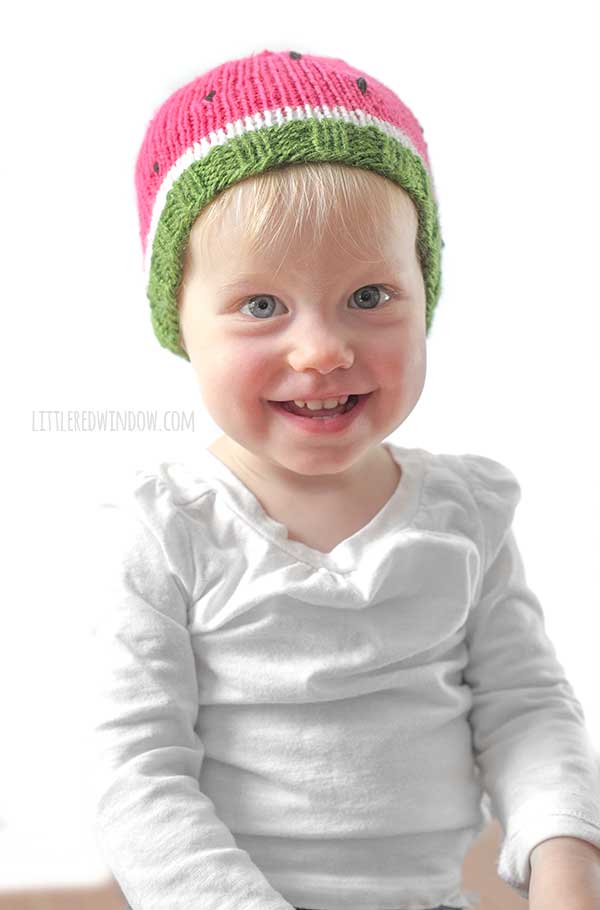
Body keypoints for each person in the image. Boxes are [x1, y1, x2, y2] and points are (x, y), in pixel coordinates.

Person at [88, 49, 600, 910]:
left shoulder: (463, 515)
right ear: (179, 318)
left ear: (423, 291)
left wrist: (565, 854)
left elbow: (526, 709)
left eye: (369, 296)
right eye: (261, 306)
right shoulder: (168, 527)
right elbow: (135, 778)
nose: (322, 351)